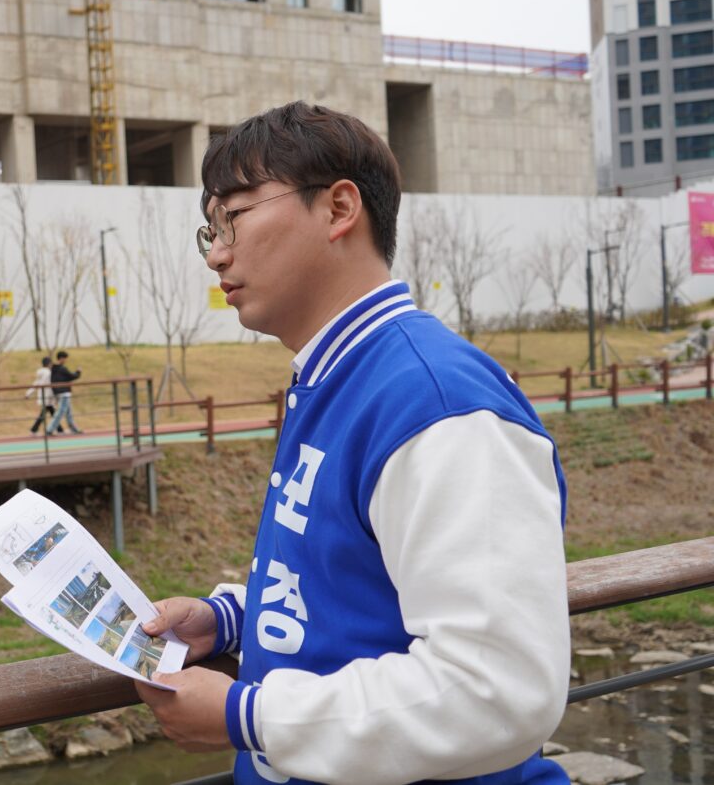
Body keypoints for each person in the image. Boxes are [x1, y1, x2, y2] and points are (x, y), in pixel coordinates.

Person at [135, 102, 571, 785]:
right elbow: (353, 582)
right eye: (210, 230)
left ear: (339, 208)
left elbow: (498, 688)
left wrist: (248, 717)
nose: (218, 251)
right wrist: (227, 619)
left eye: (236, 218)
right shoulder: (338, 374)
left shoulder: (436, 402)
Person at [46, 350, 83, 435]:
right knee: (61, 412)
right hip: (64, 393)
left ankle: (74, 429)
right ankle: (49, 429)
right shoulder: (62, 369)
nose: (66, 360)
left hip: (58, 393)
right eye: (65, 358)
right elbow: (72, 376)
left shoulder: (54, 369)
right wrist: (78, 371)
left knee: (68, 412)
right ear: (61, 358)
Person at [27, 355, 63, 434]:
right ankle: (59, 430)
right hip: (49, 396)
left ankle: (59, 429)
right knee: (50, 413)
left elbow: (36, 383)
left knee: (50, 413)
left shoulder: (40, 373)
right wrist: (57, 396)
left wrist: (28, 393)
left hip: (43, 396)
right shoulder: (49, 373)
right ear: (49, 364)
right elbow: (52, 384)